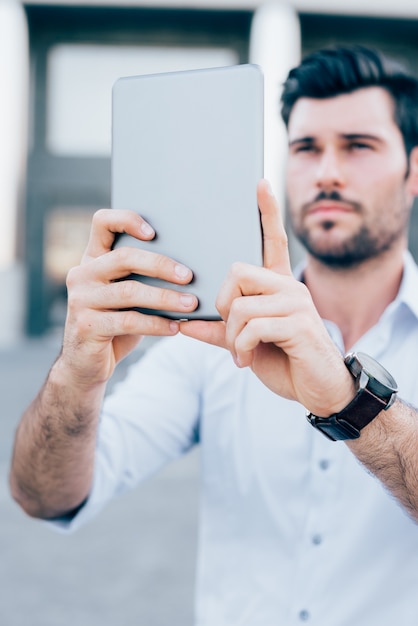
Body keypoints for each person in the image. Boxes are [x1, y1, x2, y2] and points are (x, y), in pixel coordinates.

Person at [9, 45, 418, 624]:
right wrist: (75, 378)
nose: (327, 171)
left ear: (414, 171)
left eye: (359, 146)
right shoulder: (213, 336)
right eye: (306, 148)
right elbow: (45, 495)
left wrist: (351, 402)